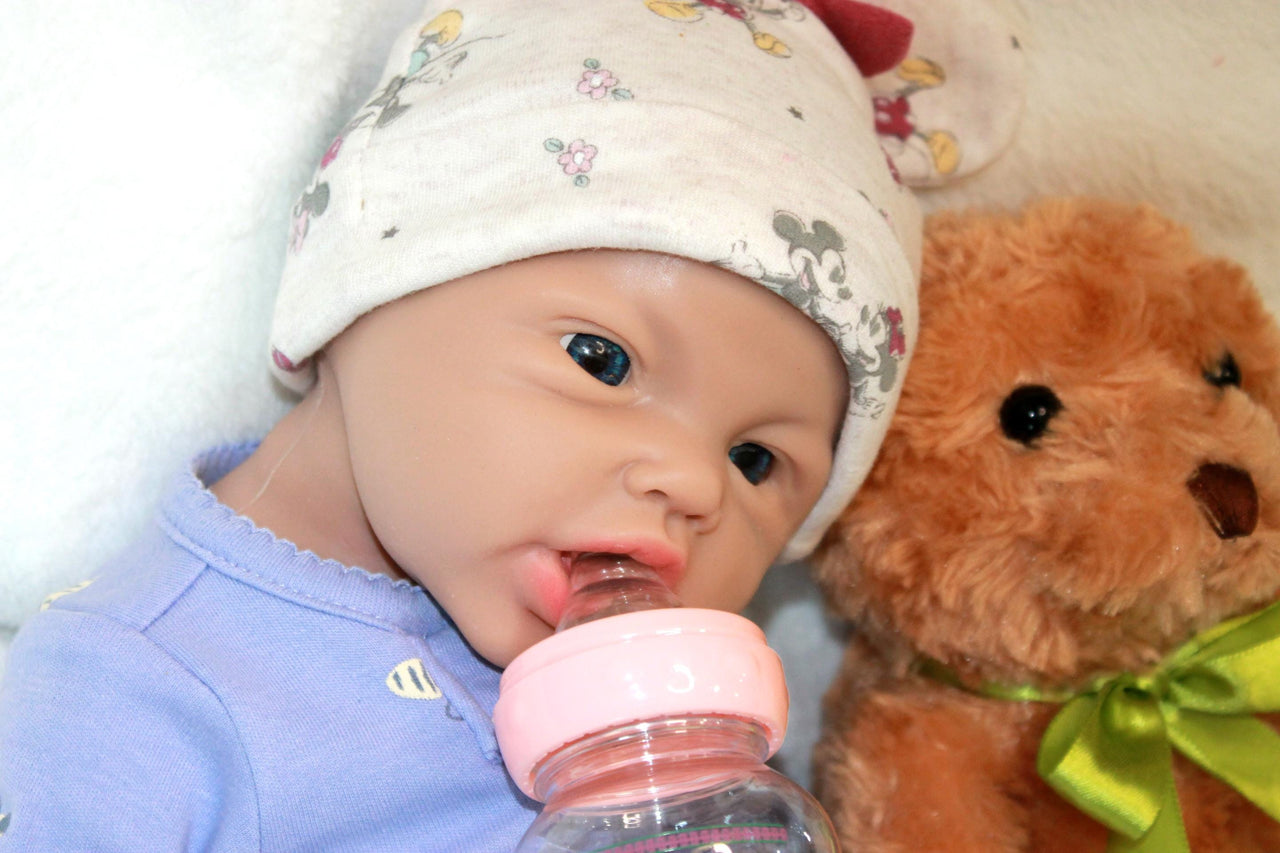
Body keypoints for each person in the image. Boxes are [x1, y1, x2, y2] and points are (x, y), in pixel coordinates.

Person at [0, 0, 920, 848]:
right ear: (362, 285)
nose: (691, 481)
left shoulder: (690, 731)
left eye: (756, 460)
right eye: (601, 360)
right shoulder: (131, 695)